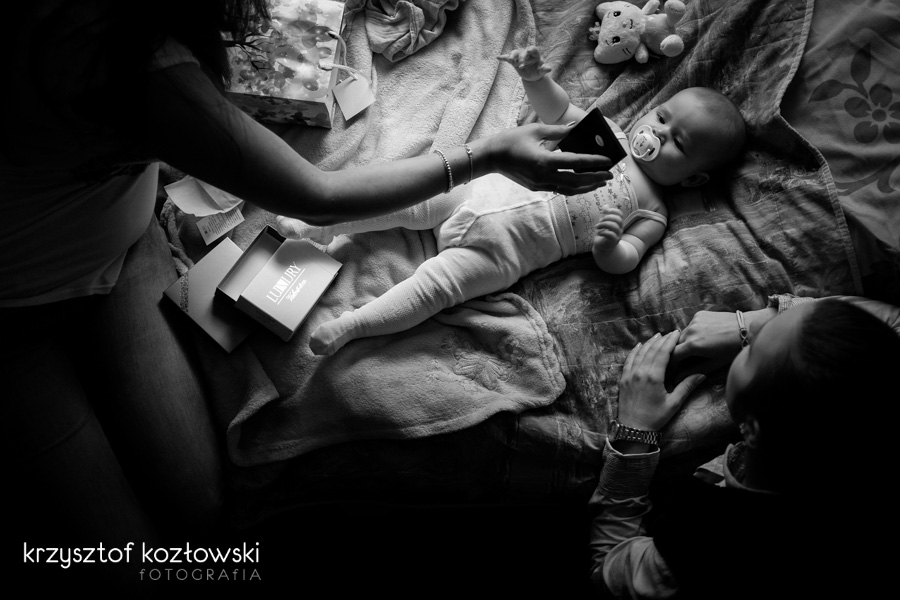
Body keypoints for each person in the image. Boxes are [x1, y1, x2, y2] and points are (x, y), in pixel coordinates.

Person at [0, 1, 612, 577]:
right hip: (20, 314)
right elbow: (316, 198)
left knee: (198, 509)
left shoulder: (134, 51)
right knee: (130, 556)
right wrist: (488, 153)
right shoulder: (113, 54)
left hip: (123, 242)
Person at [274, 45, 746, 355]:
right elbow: (557, 111)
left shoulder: (653, 211)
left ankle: (354, 325)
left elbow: (627, 260)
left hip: (505, 250)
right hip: (480, 189)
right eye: (661, 118)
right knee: (413, 202)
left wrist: (610, 247)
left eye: (677, 141)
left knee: (437, 288)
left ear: (693, 178)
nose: (657, 134)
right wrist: (535, 78)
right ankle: (321, 225)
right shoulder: (611, 134)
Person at [588, 293, 900, 599]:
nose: (750, 335)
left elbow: (609, 569)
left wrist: (635, 433)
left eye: (751, 350)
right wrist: (754, 322)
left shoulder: (705, 542)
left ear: (751, 429)